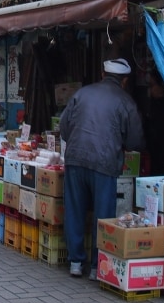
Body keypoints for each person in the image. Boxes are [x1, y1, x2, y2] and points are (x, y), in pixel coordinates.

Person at [59, 58, 145, 280]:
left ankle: (76, 262)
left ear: (102, 74)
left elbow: (64, 127)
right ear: (124, 81)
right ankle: (98, 267)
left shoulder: (82, 93)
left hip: (76, 158)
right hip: (104, 163)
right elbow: (135, 140)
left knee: (75, 208)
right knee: (103, 214)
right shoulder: (126, 101)